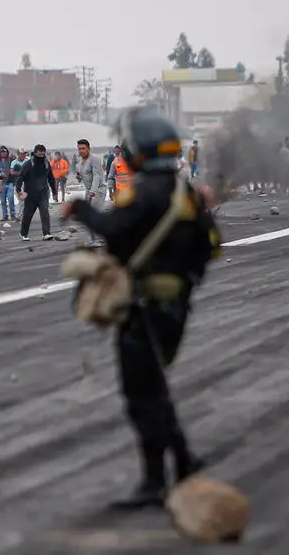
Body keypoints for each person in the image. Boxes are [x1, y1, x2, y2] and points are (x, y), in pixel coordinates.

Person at [61, 107, 221, 509]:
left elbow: (114, 229)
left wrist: (80, 210)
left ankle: (155, 480)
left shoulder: (146, 191)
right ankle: (184, 462)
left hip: (145, 308)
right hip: (176, 305)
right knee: (155, 388)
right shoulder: (186, 195)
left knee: (141, 394)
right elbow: (212, 247)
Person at [14, 144, 55, 241]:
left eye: (42, 154)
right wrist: (18, 190)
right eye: (39, 154)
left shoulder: (46, 163)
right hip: (30, 195)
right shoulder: (28, 164)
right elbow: (20, 177)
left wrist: (54, 191)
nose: (41, 156)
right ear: (35, 153)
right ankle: (23, 233)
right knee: (27, 215)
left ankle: (46, 233)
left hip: (43, 193)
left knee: (45, 212)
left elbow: (51, 178)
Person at [75, 138, 106, 247]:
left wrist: (93, 191)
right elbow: (82, 175)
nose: (81, 151)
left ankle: (96, 240)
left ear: (88, 148)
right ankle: (98, 238)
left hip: (98, 189)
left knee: (94, 215)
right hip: (89, 190)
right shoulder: (79, 161)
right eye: (79, 149)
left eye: (83, 148)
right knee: (89, 215)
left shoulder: (95, 159)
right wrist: (78, 177)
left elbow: (97, 176)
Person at [0, 146, 17, 221]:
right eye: (2, 152)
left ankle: (13, 214)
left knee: (10, 198)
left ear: (7, 152)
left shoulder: (10, 159)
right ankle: (5, 216)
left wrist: (14, 156)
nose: (3, 153)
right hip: (1, 183)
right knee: (3, 201)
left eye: (5, 151)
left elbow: (16, 161)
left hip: (10, 182)